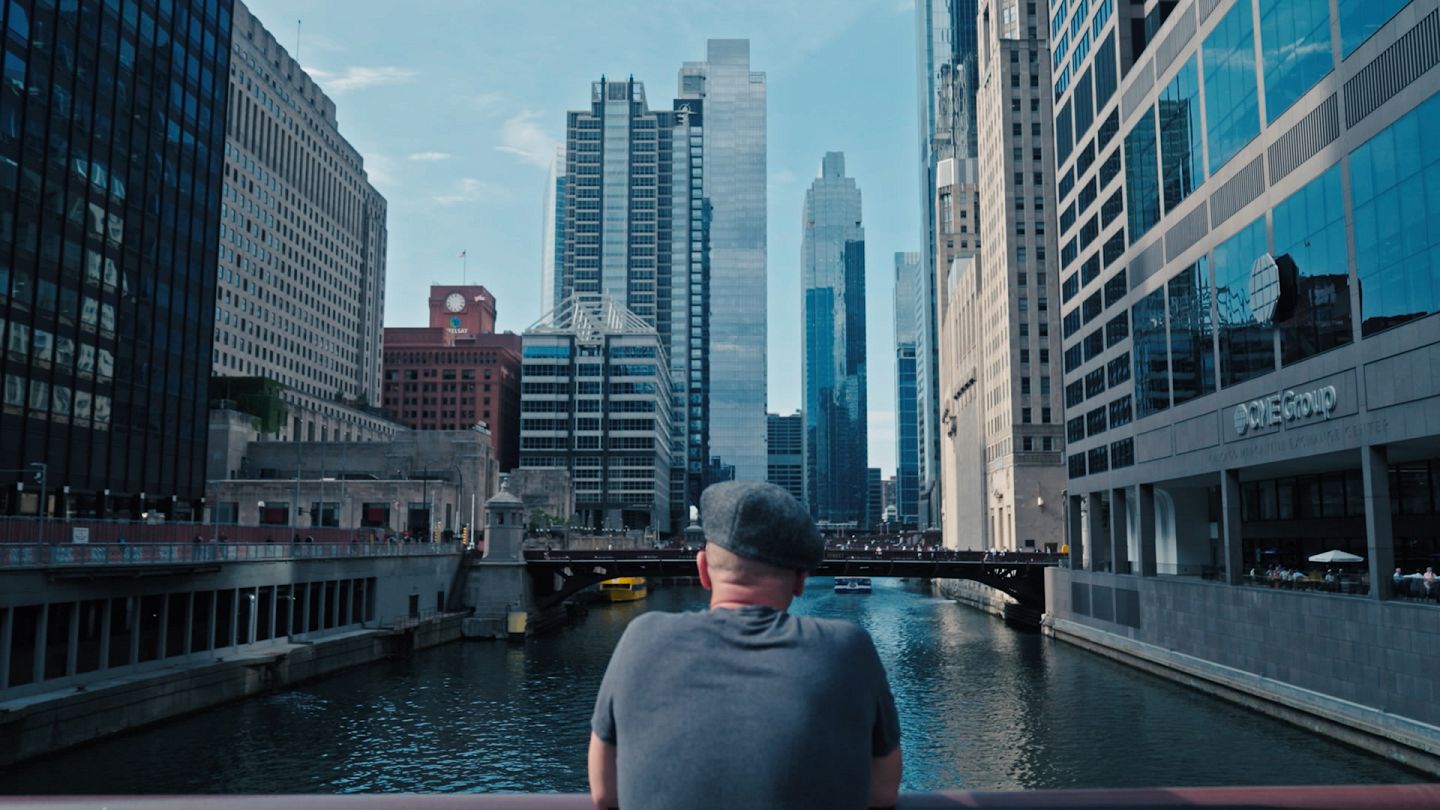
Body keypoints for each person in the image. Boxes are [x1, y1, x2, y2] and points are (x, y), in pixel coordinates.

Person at [588, 481, 901, 810]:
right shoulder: (849, 649)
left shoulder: (640, 637)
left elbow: (605, 791)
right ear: (800, 581)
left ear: (703, 571)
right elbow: (882, 792)